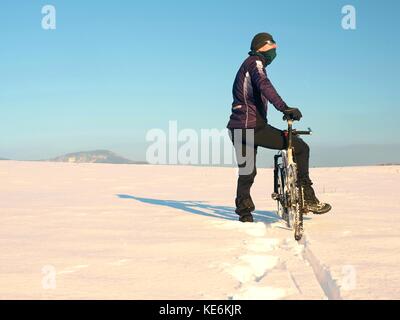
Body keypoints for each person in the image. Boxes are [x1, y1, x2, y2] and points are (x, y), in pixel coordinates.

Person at [227, 32, 331, 223]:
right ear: (262, 47)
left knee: (247, 171)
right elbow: (265, 85)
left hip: (237, 129)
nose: (275, 50)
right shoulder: (255, 63)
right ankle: (307, 197)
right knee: (300, 147)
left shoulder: (246, 65)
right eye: (273, 46)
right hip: (252, 127)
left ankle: (244, 213)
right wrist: (285, 107)